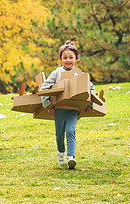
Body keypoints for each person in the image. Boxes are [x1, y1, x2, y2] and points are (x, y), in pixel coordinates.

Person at [40, 41, 94, 169]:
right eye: (65, 58)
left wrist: (88, 104)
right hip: (59, 108)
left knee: (71, 130)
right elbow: (44, 87)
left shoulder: (80, 74)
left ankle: (71, 157)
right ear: (60, 59)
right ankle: (61, 153)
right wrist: (47, 102)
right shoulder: (57, 73)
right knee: (59, 135)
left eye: (71, 57)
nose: (68, 60)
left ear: (76, 59)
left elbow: (91, 88)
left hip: (73, 109)